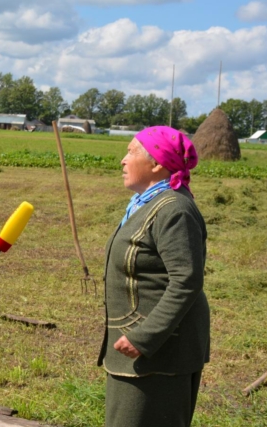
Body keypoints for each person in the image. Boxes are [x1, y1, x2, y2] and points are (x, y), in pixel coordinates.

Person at [98, 126, 210, 427]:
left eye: (131, 152)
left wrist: (144, 337)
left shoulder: (174, 211)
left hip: (159, 354)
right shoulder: (149, 204)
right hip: (141, 352)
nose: (123, 160)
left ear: (157, 163)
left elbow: (186, 281)